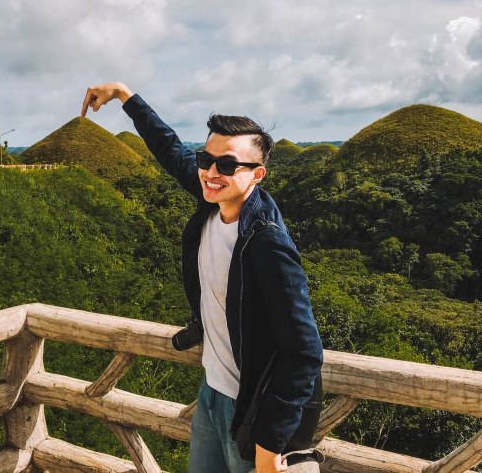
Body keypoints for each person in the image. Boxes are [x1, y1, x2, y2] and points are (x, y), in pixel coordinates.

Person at [81, 82, 324, 473]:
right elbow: (169, 147)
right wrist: (125, 96)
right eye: (206, 159)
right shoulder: (213, 199)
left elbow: (305, 351)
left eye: (227, 165)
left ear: (257, 175)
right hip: (211, 392)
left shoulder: (266, 243)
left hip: (252, 409)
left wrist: (270, 441)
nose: (211, 173)